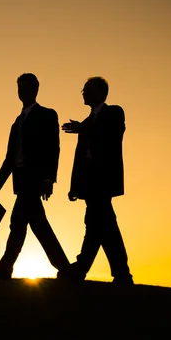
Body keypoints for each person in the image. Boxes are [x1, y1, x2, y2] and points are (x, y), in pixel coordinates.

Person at [0, 73, 70, 280]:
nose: (21, 92)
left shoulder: (47, 115)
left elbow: (53, 149)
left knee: (20, 225)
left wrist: (48, 180)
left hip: (35, 180)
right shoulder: (17, 123)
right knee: (34, 225)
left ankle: (4, 271)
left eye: (25, 87)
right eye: (19, 88)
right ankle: (65, 269)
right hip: (21, 181)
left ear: (35, 89)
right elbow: (10, 158)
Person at [59, 77, 133, 285]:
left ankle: (85, 269)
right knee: (101, 226)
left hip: (103, 179)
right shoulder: (87, 122)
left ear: (100, 92)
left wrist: (82, 129)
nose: (82, 92)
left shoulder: (114, 113)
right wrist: (75, 187)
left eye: (87, 89)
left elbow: (108, 135)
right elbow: (80, 159)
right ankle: (119, 273)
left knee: (98, 224)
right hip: (90, 182)